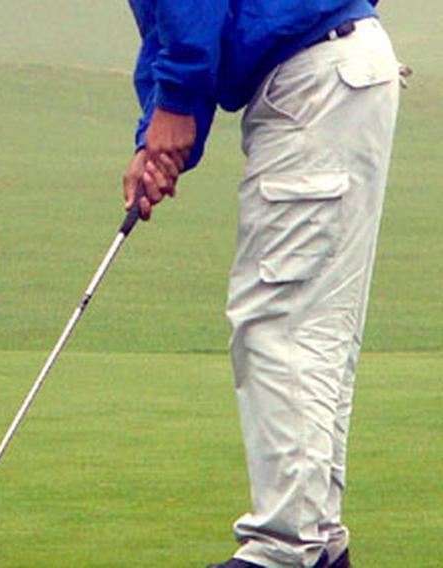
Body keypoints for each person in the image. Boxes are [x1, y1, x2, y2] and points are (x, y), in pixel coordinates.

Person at [121, 1, 400, 567]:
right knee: (318, 326)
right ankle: (317, 541)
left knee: (280, 323)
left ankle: (285, 548)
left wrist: (173, 106)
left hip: (311, 80)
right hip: (345, 68)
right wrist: (157, 135)